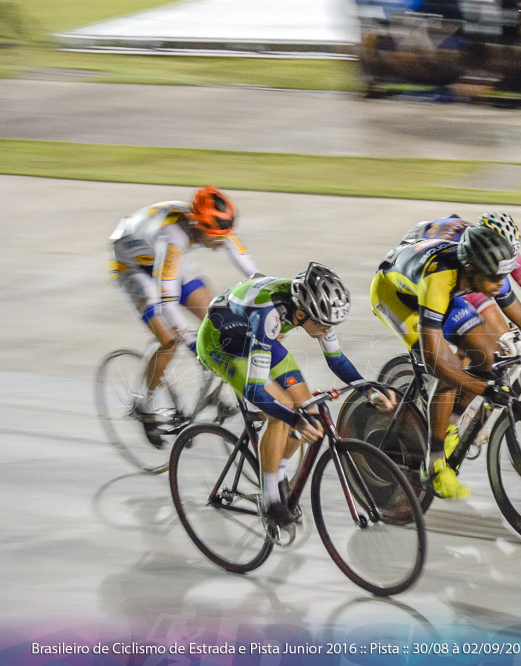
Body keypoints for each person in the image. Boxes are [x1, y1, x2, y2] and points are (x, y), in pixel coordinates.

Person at [370, 225, 521, 500]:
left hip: (444, 292)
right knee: (447, 370)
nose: (499, 283)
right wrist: (483, 389)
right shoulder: (439, 279)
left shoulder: (490, 274)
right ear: (471, 268)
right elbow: (435, 363)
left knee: (489, 359)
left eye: (502, 276)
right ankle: (432, 465)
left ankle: (451, 425)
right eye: (493, 278)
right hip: (394, 296)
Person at [197, 264, 397, 532]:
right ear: (302, 313)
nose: (328, 331)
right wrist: (293, 418)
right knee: (281, 415)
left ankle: (278, 474)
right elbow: (258, 391)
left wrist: (367, 390)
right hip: (221, 344)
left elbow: (336, 361)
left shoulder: (311, 309)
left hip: (256, 336)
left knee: (309, 411)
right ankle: (270, 501)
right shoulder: (268, 316)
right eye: (324, 325)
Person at [108, 186, 259, 447]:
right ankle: (145, 403)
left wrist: (271, 291)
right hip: (132, 267)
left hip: (160, 258)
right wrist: (190, 342)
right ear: (199, 227)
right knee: (170, 341)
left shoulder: (210, 224)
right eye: (215, 238)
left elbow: (249, 267)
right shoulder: (173, 240)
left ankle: (210, 394)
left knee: (219, 317)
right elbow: (167, 301)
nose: (219, 243)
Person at [400, 211, 521, 350]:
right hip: (418, 258)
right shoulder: (467, 252)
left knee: (497, 338)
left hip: (445, 242)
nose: (507, 261)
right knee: (490, 340)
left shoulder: (503, 254)